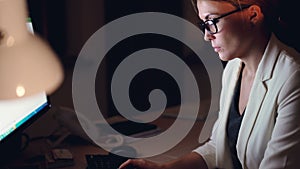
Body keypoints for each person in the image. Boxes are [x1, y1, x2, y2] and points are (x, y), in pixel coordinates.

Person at [119, 0, 300, 168]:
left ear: (253, 15)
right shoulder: (234, 68)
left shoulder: (292, 77)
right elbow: (219, 148)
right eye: (204, 24)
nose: (207, 36)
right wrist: (164, 168)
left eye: (212, 21)